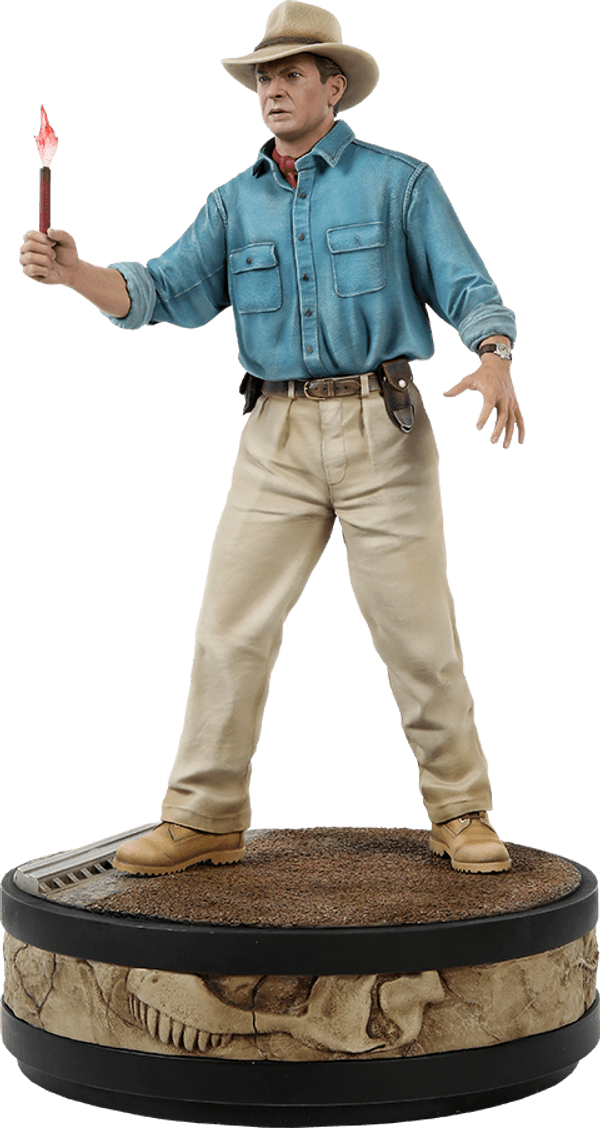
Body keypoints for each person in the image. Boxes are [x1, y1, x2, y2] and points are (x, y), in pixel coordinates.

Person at [19, 2, 524, 877]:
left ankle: (461, 809)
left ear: (334, 87)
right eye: (263, 76)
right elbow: (161, 291)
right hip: (273, 436)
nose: (273, 89)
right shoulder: (233, 201)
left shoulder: (399, 183)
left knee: (418, 635)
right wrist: (75, 274)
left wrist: (495, 355)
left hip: (383, 426)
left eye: (292, 74)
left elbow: (469, 286)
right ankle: (204, 817)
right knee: (228, 629)